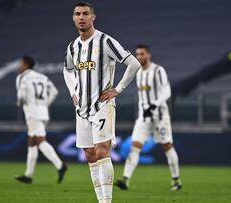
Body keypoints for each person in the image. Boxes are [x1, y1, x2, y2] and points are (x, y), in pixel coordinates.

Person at [63, 2, 141, 203]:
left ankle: (107, 201)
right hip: (82, 108)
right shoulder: (73, 46)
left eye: (85, 14)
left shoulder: (105, 41)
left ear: (93, 17)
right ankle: (101, 200)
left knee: (101, 151)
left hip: (102, 106)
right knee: (90, 154)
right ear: (73, 18)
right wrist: (73, 91)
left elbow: (133, 63)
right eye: (77, 14)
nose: (81, 17)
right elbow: (67, 69)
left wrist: (117, 90)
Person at [115, 44, 182, 191]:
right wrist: (143, 111)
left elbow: (167, 91)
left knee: (167, 146)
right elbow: (141, 97)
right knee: (135, 146)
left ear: (148, 55)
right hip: (144, 117)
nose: (139, 57)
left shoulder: (158, 70)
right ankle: (125, 179)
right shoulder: (138, 72)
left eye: (142, 54)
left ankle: (176, 180)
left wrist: (154, 105)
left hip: (160, 116)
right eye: (137, 54)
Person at [15, 55, 67, 184]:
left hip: (32, 113)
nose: (19, 66)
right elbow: (54, 91)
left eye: (20, 63)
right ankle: (28, 175)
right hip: (43, 111)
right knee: (32, 142)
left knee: (40, 141)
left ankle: (60, 165)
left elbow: (21, 95)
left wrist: (20, 103)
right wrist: (45, 104)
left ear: (26, 65)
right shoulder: (42, 77)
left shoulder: (22, 77)